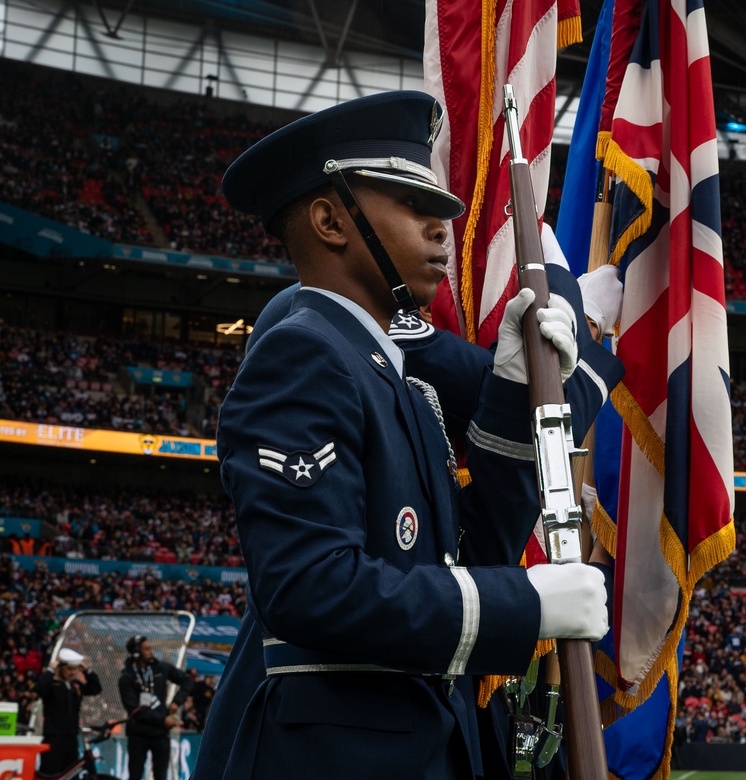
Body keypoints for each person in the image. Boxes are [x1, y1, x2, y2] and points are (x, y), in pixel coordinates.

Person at [206, 90, 610, 779]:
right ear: (331, 220)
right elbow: (308, 586)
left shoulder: (400, 384)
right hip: (332, 757)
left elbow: (470, 552)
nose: (441, 229)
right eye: (413, 206)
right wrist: (523, 604)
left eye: (443, 210)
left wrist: (511, 393)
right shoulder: (301, 354)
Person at [118, 635, 193, 780]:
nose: (151, 652)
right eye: (146, 649)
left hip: (160, 734)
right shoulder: (126, 677)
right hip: (138, 733)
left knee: (161, 775)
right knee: (135, 774)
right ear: (136, 653)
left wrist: (177, 701)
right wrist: (162, 720)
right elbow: (134, 710)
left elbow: (187, 680)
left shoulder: (160, 668)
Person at [36, 647, 102, 775]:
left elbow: (95, 688)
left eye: (75, 669)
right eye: (69, 669)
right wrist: (50, 670)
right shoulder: (51, 685)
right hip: (53, 736)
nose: (72, 673)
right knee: (51, 773)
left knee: (71, 774)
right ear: (60, 667)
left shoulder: (75, 685)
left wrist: (87, 671)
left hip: (71, 736)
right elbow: (39, 688)